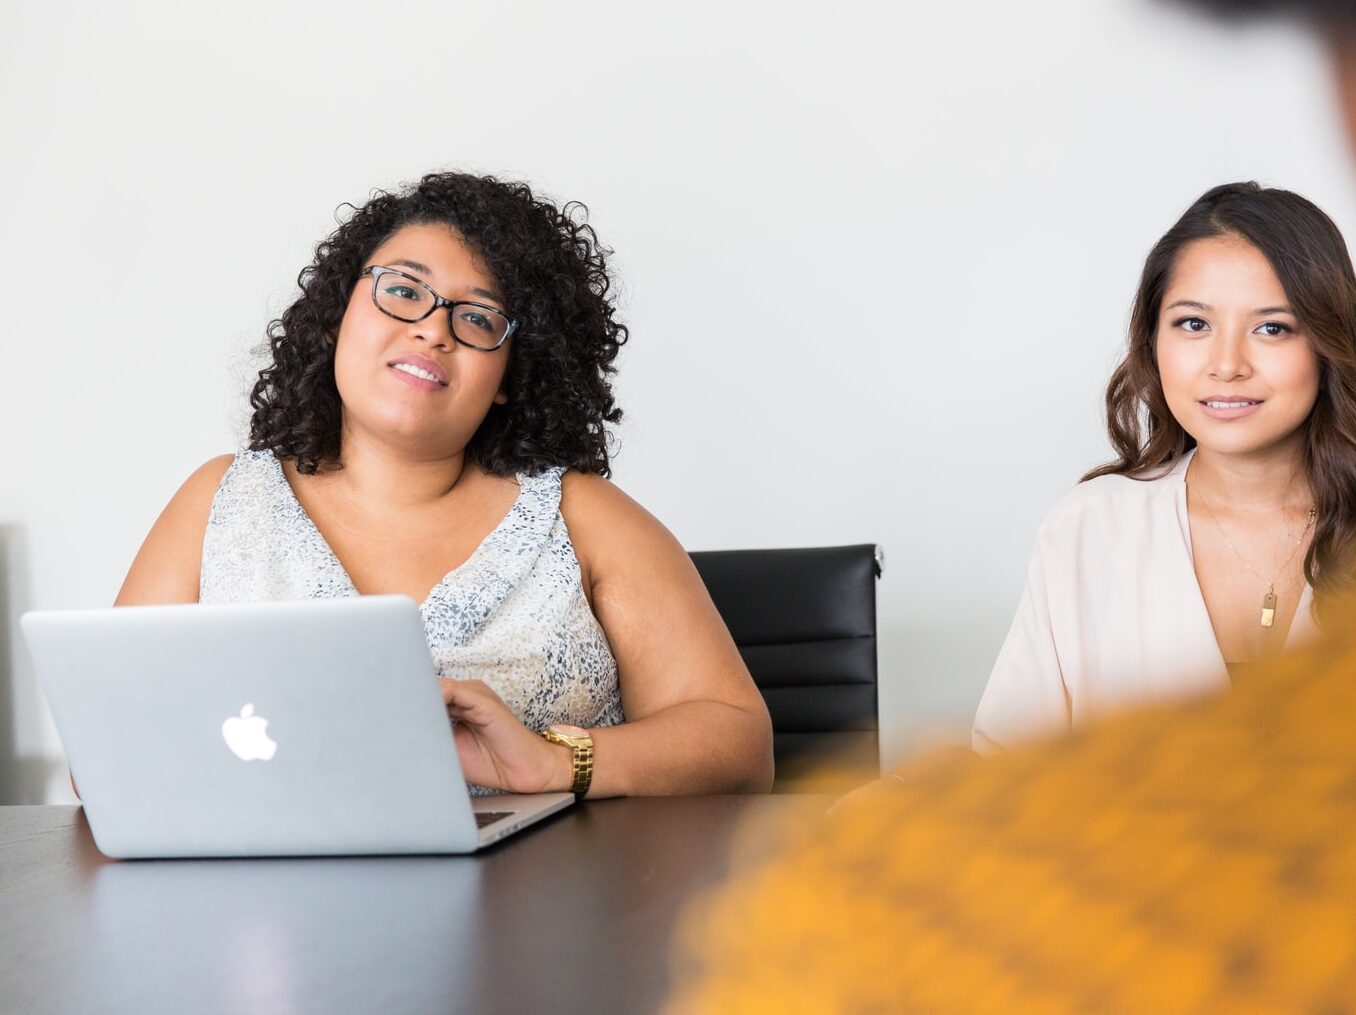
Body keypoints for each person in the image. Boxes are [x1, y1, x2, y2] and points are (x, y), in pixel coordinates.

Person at [115, 171, 773, 798]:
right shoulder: (220, 502)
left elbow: (740, 742)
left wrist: (551, 762)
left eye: (479, 318)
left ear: (511, 377)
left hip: (543, 904)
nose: (433, 329)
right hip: (262, 906)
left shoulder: (584, 518)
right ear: (334, 317)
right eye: (403, 290)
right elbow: (108, 753)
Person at [973, 181, 1356, 752]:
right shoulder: (1091, 528)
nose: (1227, 365)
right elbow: (1001, 764)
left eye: (1272, 327)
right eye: (1194, 324)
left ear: (1327, 341)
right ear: (1153, 341)